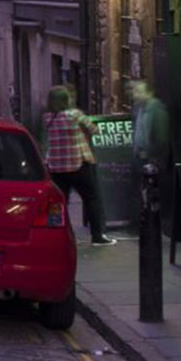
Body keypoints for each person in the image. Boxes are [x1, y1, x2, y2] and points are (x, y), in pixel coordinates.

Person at [42, 85, 116, 246]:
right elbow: (94, 129)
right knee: (91, 198)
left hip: (56, 168)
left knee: (59, 203)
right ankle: (98, 236)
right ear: (66, 100)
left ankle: (57, 236)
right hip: (78, 165)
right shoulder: (75, 115)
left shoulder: (48, 118)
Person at [130, 79, 170, 169]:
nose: (135, 95)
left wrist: (149, 153)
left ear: (150, 93)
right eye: (135, 92)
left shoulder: (158, 110)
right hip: (140, 159)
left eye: (139, 92)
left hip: (154, 162)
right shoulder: (137, 109)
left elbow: (162, 139)